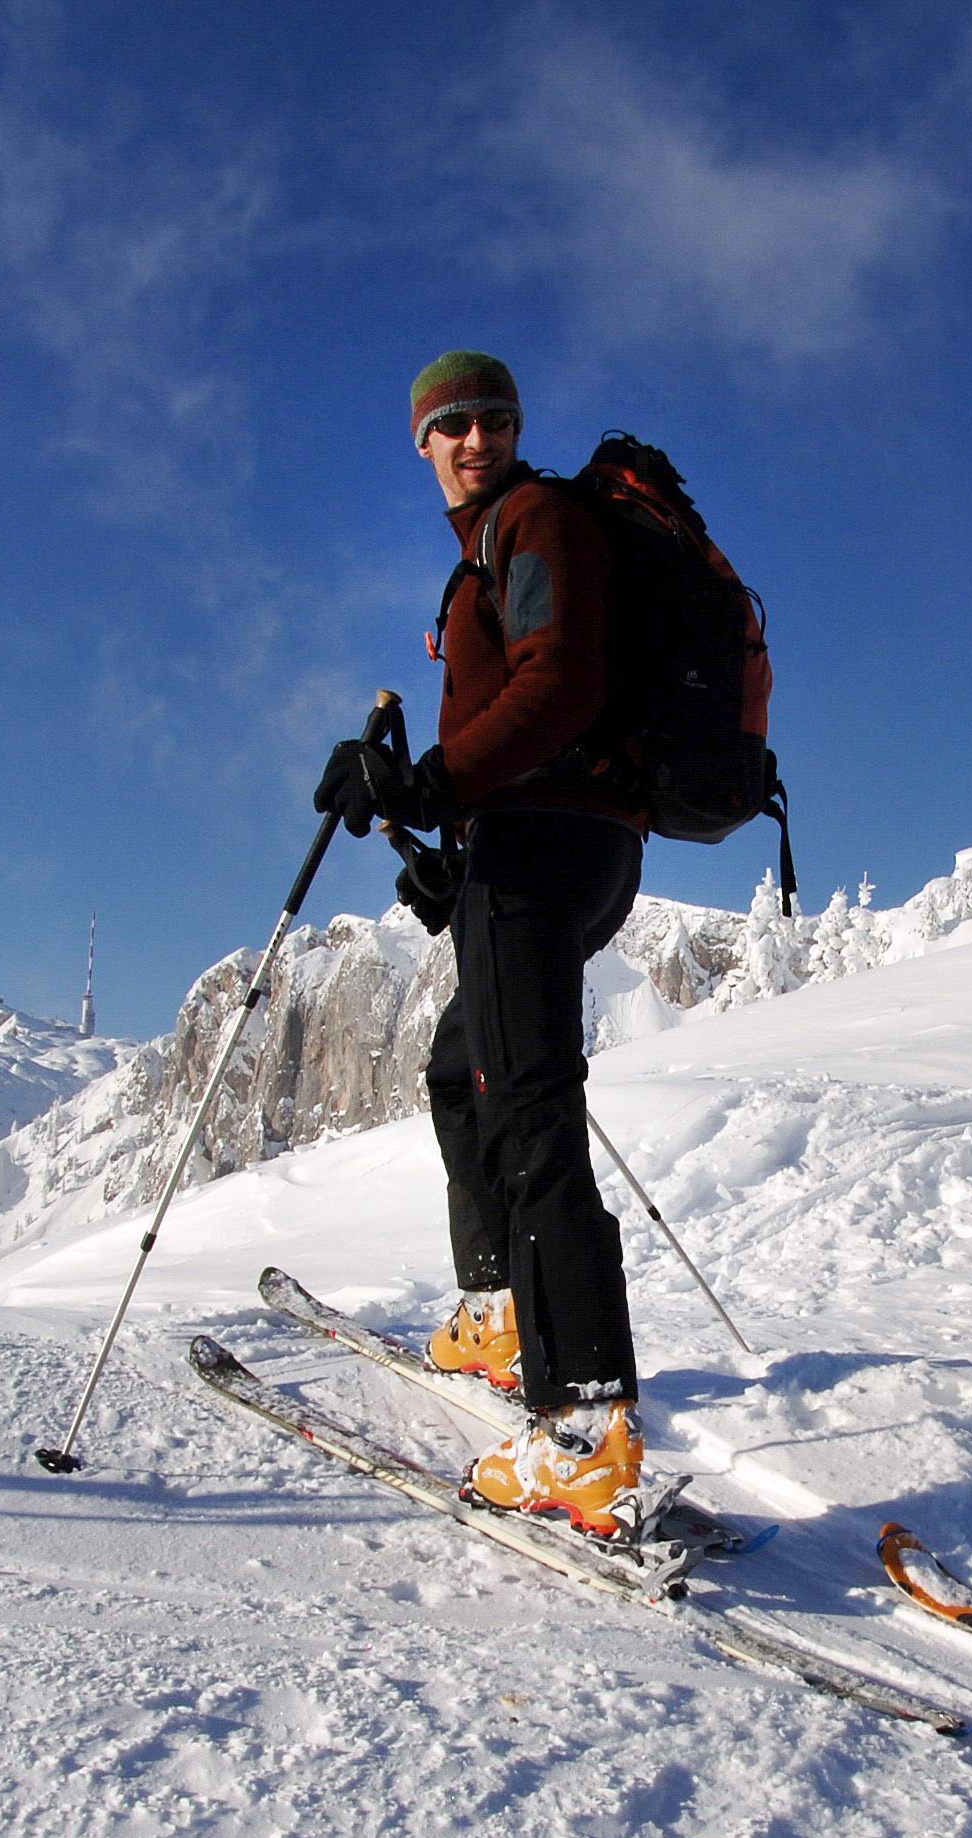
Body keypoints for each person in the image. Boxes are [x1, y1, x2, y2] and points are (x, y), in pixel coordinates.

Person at [312, 351, 650, 1536]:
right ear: (422, 441)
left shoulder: (536, 518)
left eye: (492, 418)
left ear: (514, 427)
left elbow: (561, 690)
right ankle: (504, 1312)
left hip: (551, 845)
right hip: (540, 848)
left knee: (532, 1116)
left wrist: (432, 781)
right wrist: (449, 856)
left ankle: (585, 1428)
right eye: (451, 423)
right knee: (464, 1069)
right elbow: (528, 719)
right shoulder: (487, 553)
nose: (474, 438)